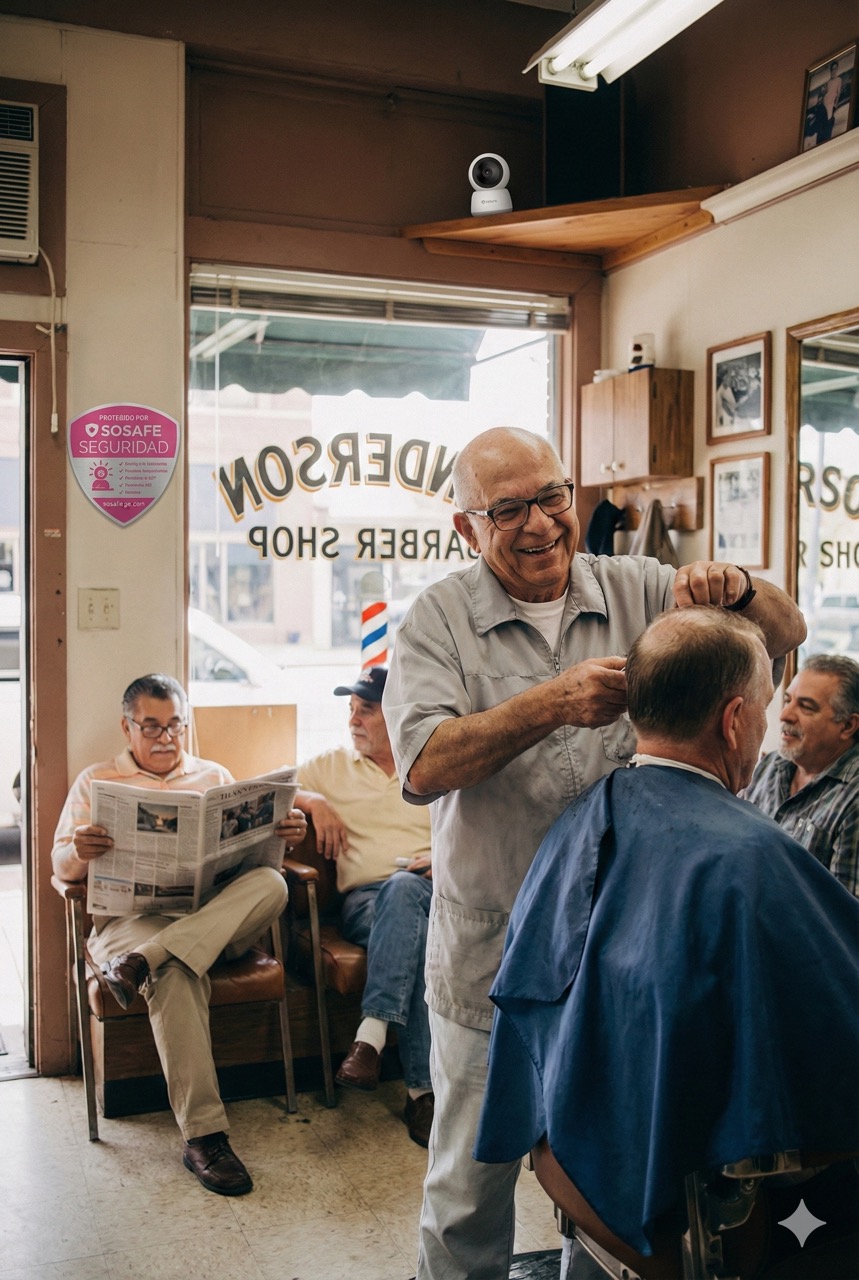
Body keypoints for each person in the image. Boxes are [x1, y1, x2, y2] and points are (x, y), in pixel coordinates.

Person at [381, 426, 806, 1280]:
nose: (540, 523)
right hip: (492, 954)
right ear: (467, 526)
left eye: (551, 497)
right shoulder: (434, 621)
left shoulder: (637, 586)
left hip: (619, 961)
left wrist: (740, 588)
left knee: (608, 1173)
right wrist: (549, 704)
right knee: (469, 1184)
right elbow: (423, 768)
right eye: (508, 510)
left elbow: (786, 632)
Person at [473, 608, 859, 1276]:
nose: (768, 726)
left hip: (574, 1142)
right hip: (673, 1192)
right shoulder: (747, 859)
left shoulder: (581, 818)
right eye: (768, 706)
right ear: (734, 719)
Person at [51, 673, 308, 1196]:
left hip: (212, 919)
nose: (166, 738)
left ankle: (148, 959)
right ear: (127, 728)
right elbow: (61, 868)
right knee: (172, 975)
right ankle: (205, 1138)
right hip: (131, 924)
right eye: (152, 727)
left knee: (272, 883)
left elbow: (249, 864)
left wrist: (282, 833)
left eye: (175, 726)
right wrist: (81, 848)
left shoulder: (214, 775)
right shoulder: (96, 781)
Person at [294, 665, 434, 1147]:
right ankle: (422, 1091)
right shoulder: (330, 767)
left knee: (412, 904)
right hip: (365, 902)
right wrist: (311, 799)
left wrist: (442, 856)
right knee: (406, 904)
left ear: (395, 715)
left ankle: (370, 1038)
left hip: (435, 894)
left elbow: (476, 825)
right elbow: (267, 792)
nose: (353, 720)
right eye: (350, 710)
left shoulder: (432, 764)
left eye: (366, 710)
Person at [743, 652, 858, 895]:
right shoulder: (770, 766)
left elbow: (845, 919)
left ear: (848, 726)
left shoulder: (853, 800)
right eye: (787, 701)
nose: (785, 715)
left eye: (806, 707)